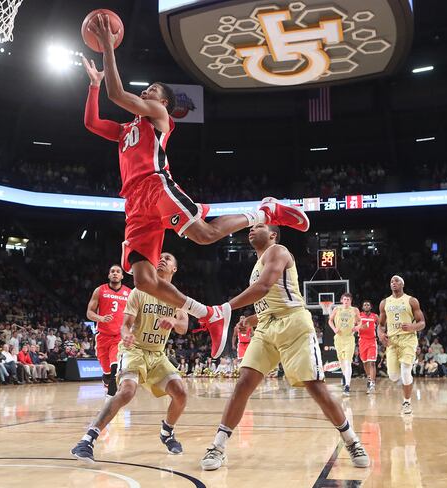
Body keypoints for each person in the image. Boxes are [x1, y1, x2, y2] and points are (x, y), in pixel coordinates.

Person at [81, 14, 310, 360]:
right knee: (143, 280)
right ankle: (210, 315)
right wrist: (93, 85)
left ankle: (265, 211)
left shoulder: (158, 116)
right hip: (134, 203)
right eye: (147, 90)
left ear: (164, 103)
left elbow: (118, 92)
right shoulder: (128, 127)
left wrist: (109, 50)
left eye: (153, 90)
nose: (147, 92)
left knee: (203, 234)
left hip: (156, 187)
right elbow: (92, 122)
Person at [199, 223, 369, 470]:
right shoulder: (256, 265)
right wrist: (251, 319)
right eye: (251, 226)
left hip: (294, 324)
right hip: (267, 326)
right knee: (243, 383)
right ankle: (218, 446)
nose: (251, 229)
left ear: (272, 234)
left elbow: (264, 287)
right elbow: (269, 301)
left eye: (259, 226)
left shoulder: (278, 250)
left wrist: (224, 309)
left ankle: (351, 440)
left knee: (316, 387)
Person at [71, 253, 189, 462]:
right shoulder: (139, 291)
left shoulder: (178, 297)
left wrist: (172, 320)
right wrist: (125, 335)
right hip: (134, 349)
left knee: (180, 392)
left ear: (174, 269)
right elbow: (125, 325)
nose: (162, 259)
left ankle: (167, 432)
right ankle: (87, 439)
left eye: (168, 258)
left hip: (157, 354)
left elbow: (183, 326)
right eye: (160, 256)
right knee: (126, 391)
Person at [378, 275, 426, 415]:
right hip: (392, 341)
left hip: (408, 339)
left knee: (405, 371)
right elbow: (380, 325)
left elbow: (422, 323)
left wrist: (412, 326)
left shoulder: (411, 300)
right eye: (391, 281)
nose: (394, 283)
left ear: (402, 284)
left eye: (397, 281)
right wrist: (381, 335)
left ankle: (407, 402)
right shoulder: (384, 302)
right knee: (393, 376)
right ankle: (407, 380)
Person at [86, 265, 131, 396]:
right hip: (102, 336)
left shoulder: (129, 293)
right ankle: (106, 381)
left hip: (118, 337)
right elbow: (89, 313)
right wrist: (101, 318)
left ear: (122, 276)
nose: (115, 273)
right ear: (109, 275)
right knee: (107, 373)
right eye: (112, 271)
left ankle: (111, 399)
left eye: (118, 272)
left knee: (115, 369)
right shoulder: (100, 290)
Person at [328, 293, 360, 395]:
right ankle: (344, 376)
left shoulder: (354, 310)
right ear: (342, 300)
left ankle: (347, 386)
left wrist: (357, 327)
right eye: (344, 299)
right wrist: (334, 329)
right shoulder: (337, 309)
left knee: (347, 362)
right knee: (342, 362)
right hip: (339, 339)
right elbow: (330, 320)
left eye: (348, 300)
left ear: (351, 301)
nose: (346, 301)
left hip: (349, 338)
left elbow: (360, 321)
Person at [358, 300, 379, 394]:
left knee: (372, 363)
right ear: (362, 307)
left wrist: (381, 335)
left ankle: (372, 384)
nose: (366, 306)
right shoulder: (358, 316)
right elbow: (354, 327)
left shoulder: (375, 316)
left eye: (368, 305)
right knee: (365, 363)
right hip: (362, 341)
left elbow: (381, 326)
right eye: (364, 305)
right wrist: (362, 327)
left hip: (372, 341)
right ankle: (369, 378)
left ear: (370, 307)